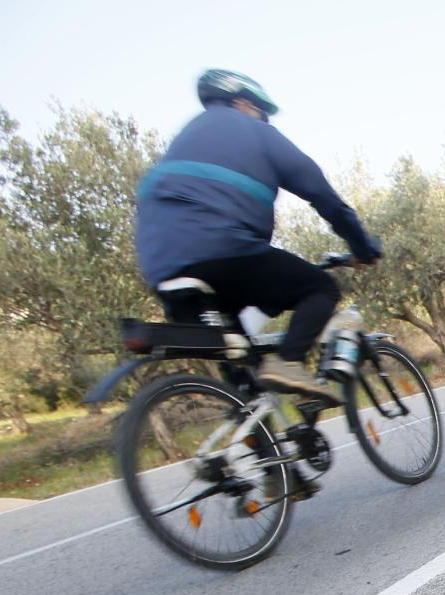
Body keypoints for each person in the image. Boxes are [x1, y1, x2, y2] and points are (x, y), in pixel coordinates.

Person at [134, 69, 381, 403]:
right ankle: (289, 363)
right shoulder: (256, 132)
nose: (265, 121)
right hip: (223, 252)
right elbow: (324, 197)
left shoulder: (183, 139)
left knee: (240, 359)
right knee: (319, 287)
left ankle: (252, 438)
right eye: (262, 113)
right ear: (243, 103)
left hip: (162, 269)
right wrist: (362, 247)